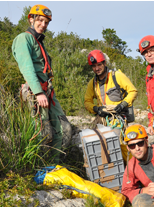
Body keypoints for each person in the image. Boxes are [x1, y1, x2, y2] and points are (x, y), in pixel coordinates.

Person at [12, 4, 71, 164]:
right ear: (31, 19)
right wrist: (38, 93)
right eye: (40, 21)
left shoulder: (39, 42)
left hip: (48, 92)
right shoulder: (23, 39)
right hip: (35, 92)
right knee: (42, 132)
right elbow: (27, 67)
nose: (43, 25)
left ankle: (54, 165)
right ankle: (38, 169)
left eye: (46, 22)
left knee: (63, 127)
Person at [84, 49, 137, 124]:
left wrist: (123, 104)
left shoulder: (117, 76)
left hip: (118, 119)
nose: (97, 68)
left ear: (104, 63)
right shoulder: (92, 83)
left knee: (114, 135)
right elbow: (87, 101)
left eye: (99, 65)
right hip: (102, 119)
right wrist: (96, 109)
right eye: (94, 66)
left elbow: (133, 91)